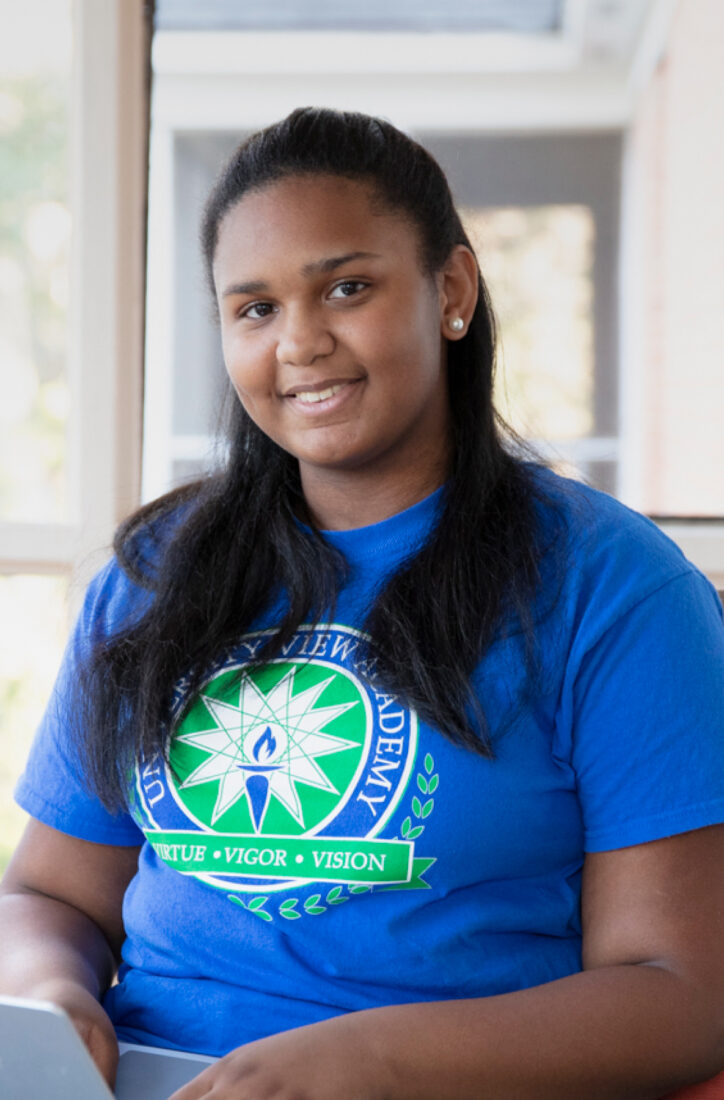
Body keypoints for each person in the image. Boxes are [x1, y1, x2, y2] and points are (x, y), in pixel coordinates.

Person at [2, 106, 724, 1100]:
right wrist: (50, 997)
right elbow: (48, 893)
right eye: (252, 308)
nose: (299, 341)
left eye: (346, 286)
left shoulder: (613, 582)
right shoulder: (154, 572)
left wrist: (373, 1058)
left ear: (452, 291)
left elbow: (680, 993)